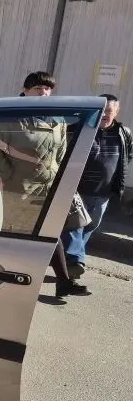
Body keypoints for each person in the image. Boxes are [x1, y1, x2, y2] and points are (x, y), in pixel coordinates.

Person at [0, 71, 74, 298]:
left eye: (47, 89)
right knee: (17, 238)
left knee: (50, 233)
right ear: (25, 90)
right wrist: (8, 176)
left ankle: (64, 281)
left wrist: (58, 178)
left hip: (47, 188)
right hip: (18, 189)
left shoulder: (58, 119)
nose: (44, 93)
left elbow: (61, 153)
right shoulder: (13, 117)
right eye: (38, 88)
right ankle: (4, 283)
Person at [61, 94, 132, 289]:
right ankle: (75, 261)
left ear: (116, 112)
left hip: (103, 192)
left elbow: (128, 156)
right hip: (77, 190)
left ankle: (68, 263)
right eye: (101, 111)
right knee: (75, 226)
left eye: (109, 111)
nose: (105, 115)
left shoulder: (124, 133)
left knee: (90, 227)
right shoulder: (79, 129)